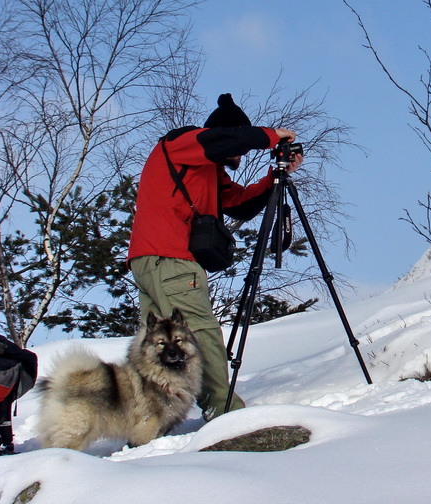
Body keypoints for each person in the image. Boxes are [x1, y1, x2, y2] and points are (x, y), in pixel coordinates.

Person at [127, 93, 302, 421]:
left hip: (149, 259)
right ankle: (225, 413)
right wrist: (270, 135)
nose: (239, 154)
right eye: (239, 144)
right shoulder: (183, 141)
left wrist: (273, 179)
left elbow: (239, 203)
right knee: (200, 330)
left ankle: (146, 420)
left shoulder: (205, 169)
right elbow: (222, 140)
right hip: (169, 257)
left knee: (154, 347)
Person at [0, 334, 38, 455]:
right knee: (2, 409)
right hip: (10, 379)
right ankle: (6, 441)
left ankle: (5, 441)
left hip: (9, 377)